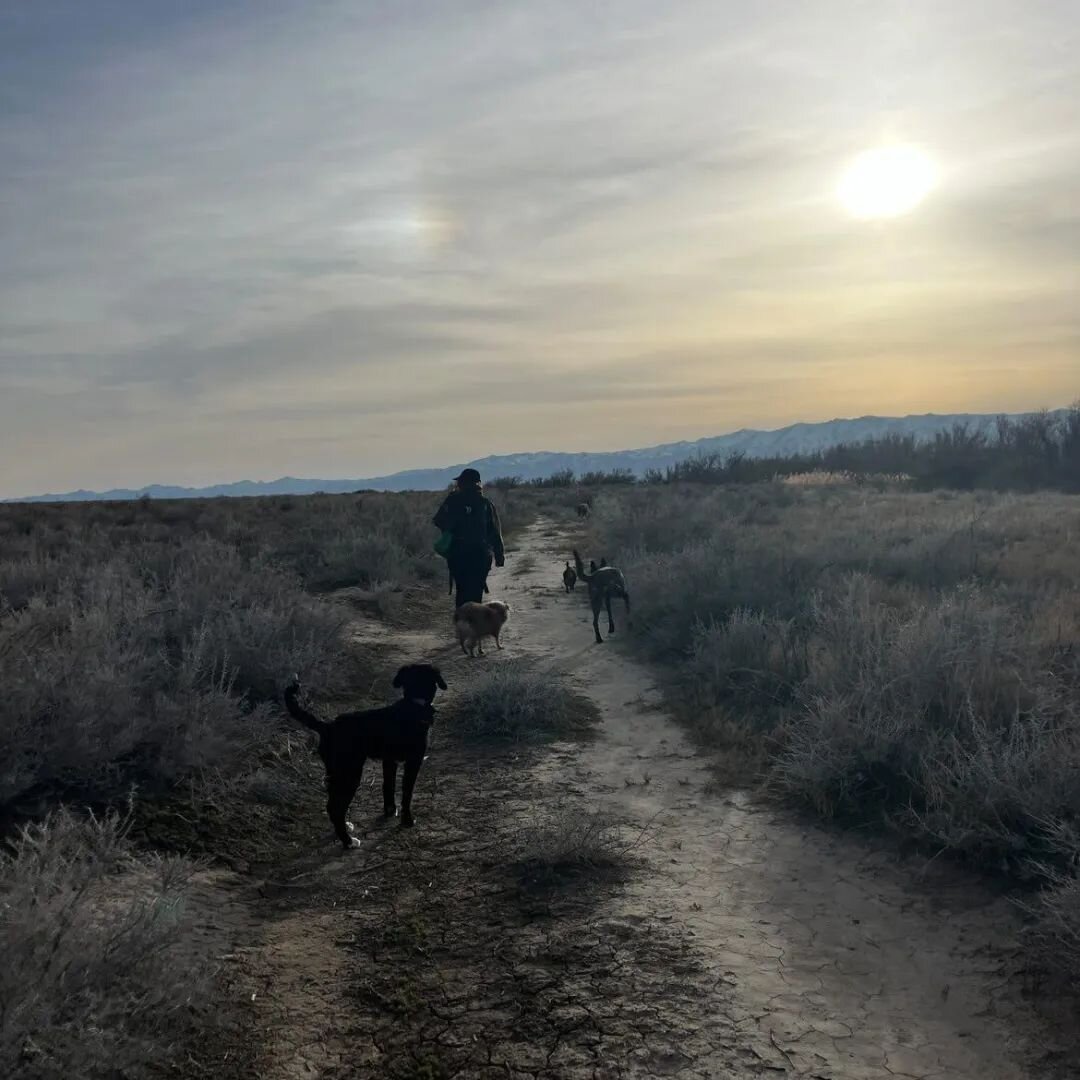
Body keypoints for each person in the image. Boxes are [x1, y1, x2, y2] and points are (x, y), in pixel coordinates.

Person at [433, 468, 505, 609]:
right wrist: (499, 554)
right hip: (481, 554)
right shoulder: (485, 503)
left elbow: (438, 520)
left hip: (458, 553)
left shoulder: (453, 500)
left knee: (462, 590)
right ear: (477, 483)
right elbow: (494, 530)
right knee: (476, 591)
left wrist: (451, 528)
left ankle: (462, 624)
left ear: (462, 482)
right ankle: (474, 624)